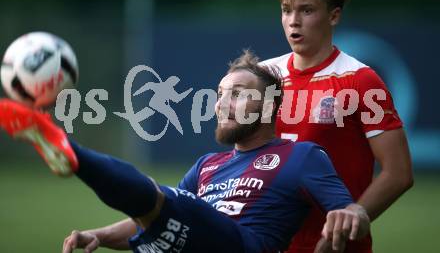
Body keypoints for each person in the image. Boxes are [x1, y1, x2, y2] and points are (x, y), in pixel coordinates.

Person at [0, 52, 370, 253]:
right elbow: (158, 215)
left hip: (242, 245)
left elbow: (351, 210)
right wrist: (99, 234)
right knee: (164, 204)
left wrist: (352, 214)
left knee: (165, 200)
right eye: (221, 93)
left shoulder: (302, 155)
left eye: (239, 94)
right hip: (192, 243)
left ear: (271, 107)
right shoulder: (208, 165)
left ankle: (66, 148)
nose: (223, 103)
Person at [261, 0, 413, 252]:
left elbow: (399, 172)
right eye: (286, 10)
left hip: (333, 246)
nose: (293, 21)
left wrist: (355, 215)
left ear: (334, 16)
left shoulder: (361, 81)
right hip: (266, 242)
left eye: (306, 10)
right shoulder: (263, 76)